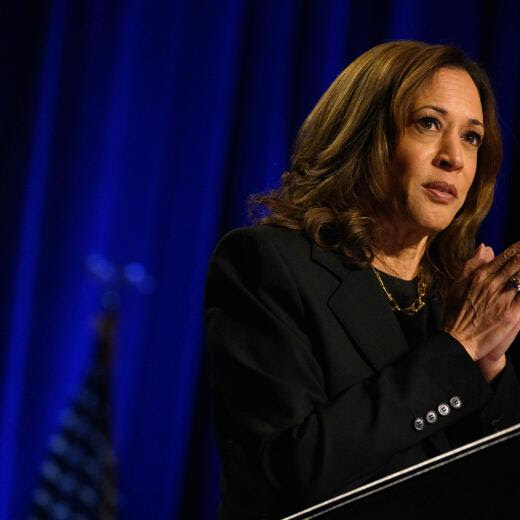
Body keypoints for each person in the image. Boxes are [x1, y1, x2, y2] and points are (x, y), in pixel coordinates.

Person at [204, 40, 520, 520]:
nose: (453, 158)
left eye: (472, 137)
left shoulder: (456, 297)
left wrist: (489, 365)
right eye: (429, 124)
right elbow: (285, 475)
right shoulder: (267, 265)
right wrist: (457, 351)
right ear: (365, 135)